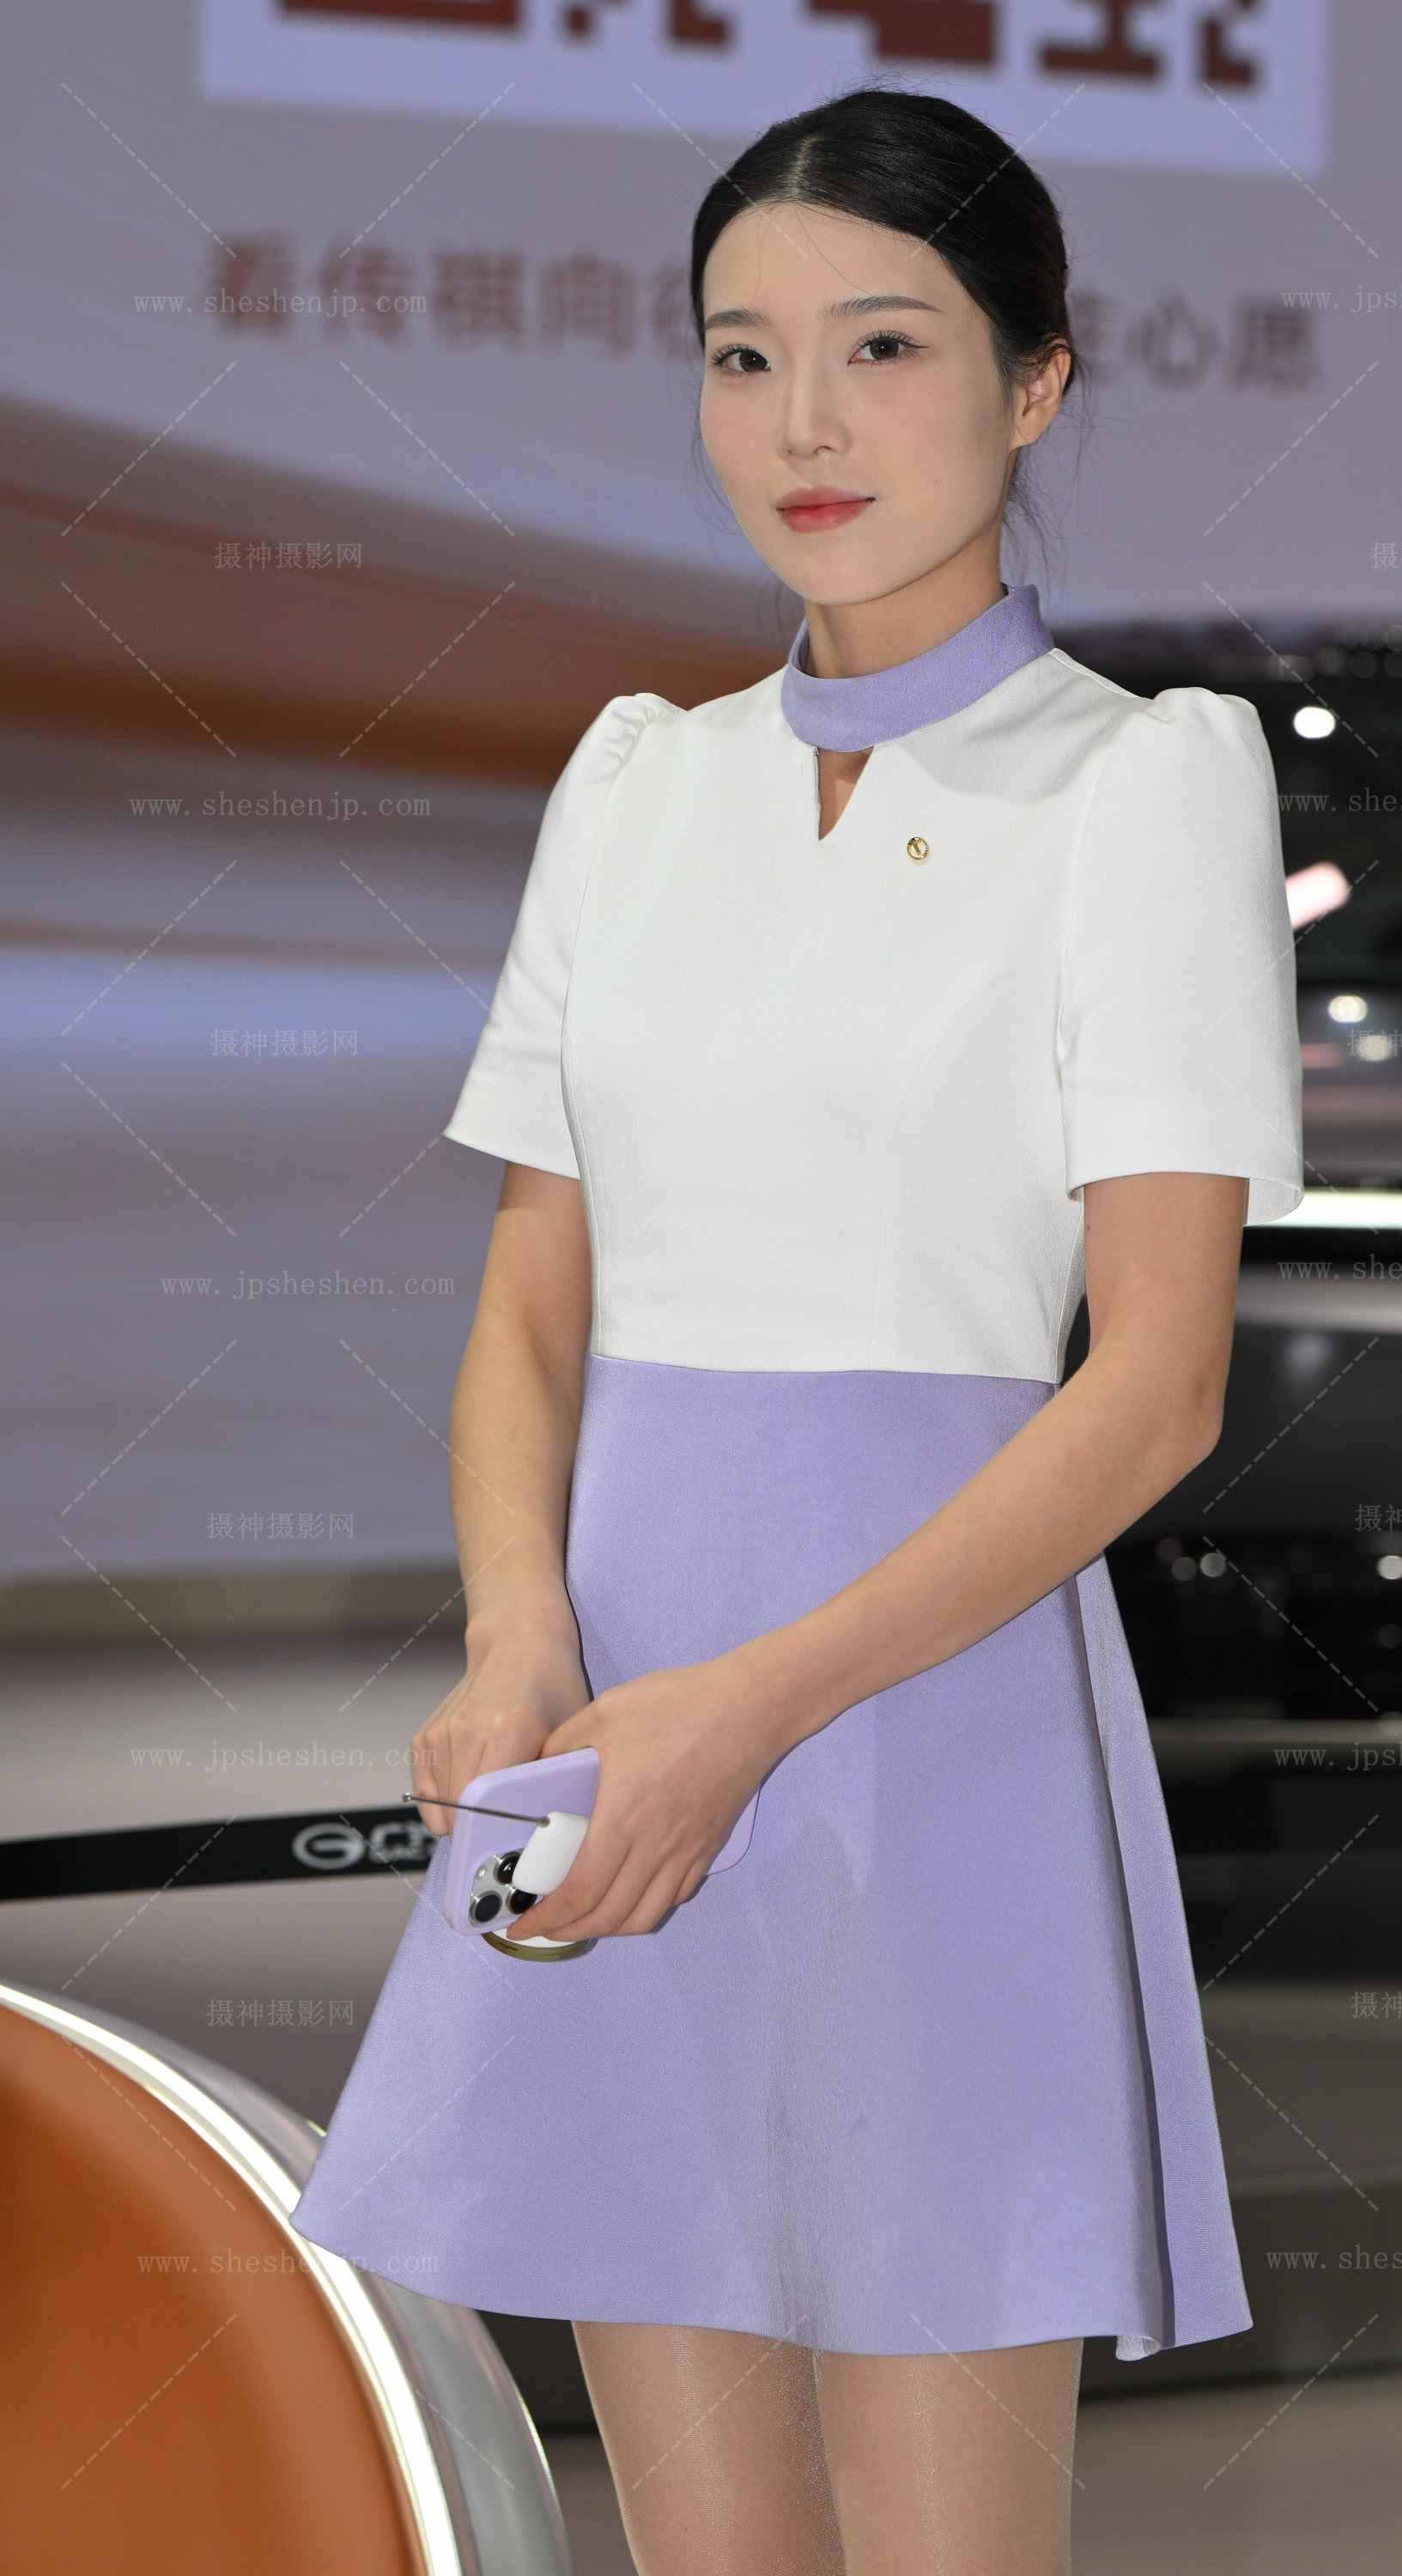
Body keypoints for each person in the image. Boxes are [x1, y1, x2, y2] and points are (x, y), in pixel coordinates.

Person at [289, 82, 1304, 2576]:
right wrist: (523, 1643)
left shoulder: (1143, 784)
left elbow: (1158, 1380)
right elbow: (539, 1299)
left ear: (1036, 379)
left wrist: (745, 1711)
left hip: (919, 1708)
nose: (807, 426)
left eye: (885, 346)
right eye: (744, 358)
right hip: (621, 1706)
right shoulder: (638, 782)